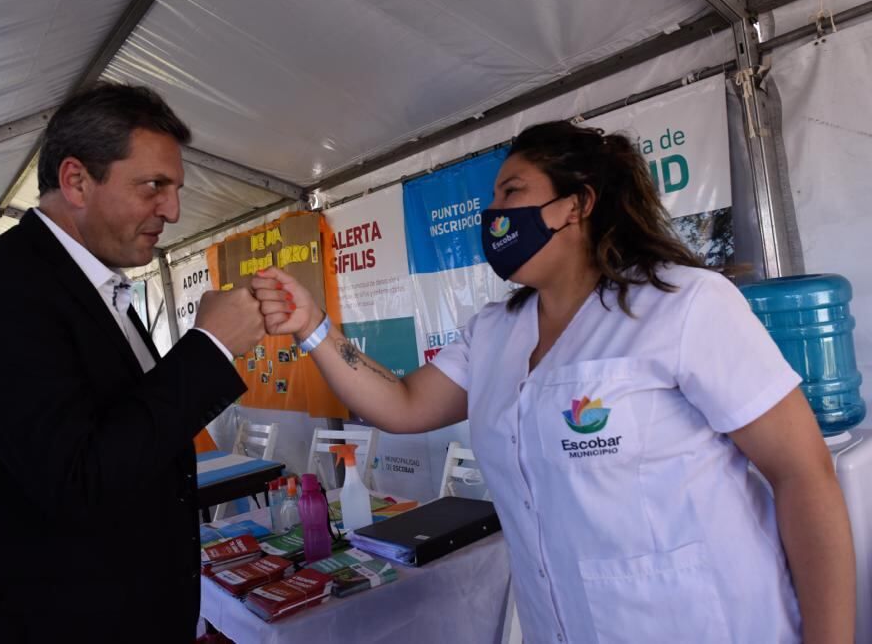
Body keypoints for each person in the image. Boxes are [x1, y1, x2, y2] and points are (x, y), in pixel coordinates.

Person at [252, 121, 856, 643]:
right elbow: (404, 403)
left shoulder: (683, 305)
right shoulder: (494, 332)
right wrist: (313, 328)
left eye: (513, 191)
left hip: (705, 624)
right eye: (492, 198)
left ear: (578, 204)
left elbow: (802, 473)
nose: (494, 214)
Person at [0, 83, 265, 643]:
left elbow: (131, 433)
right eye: (154, 186)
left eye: (175, 189)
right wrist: (211, 347)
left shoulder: (90, 288)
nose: (172, 210)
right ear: (76, 180)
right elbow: (79, 478)